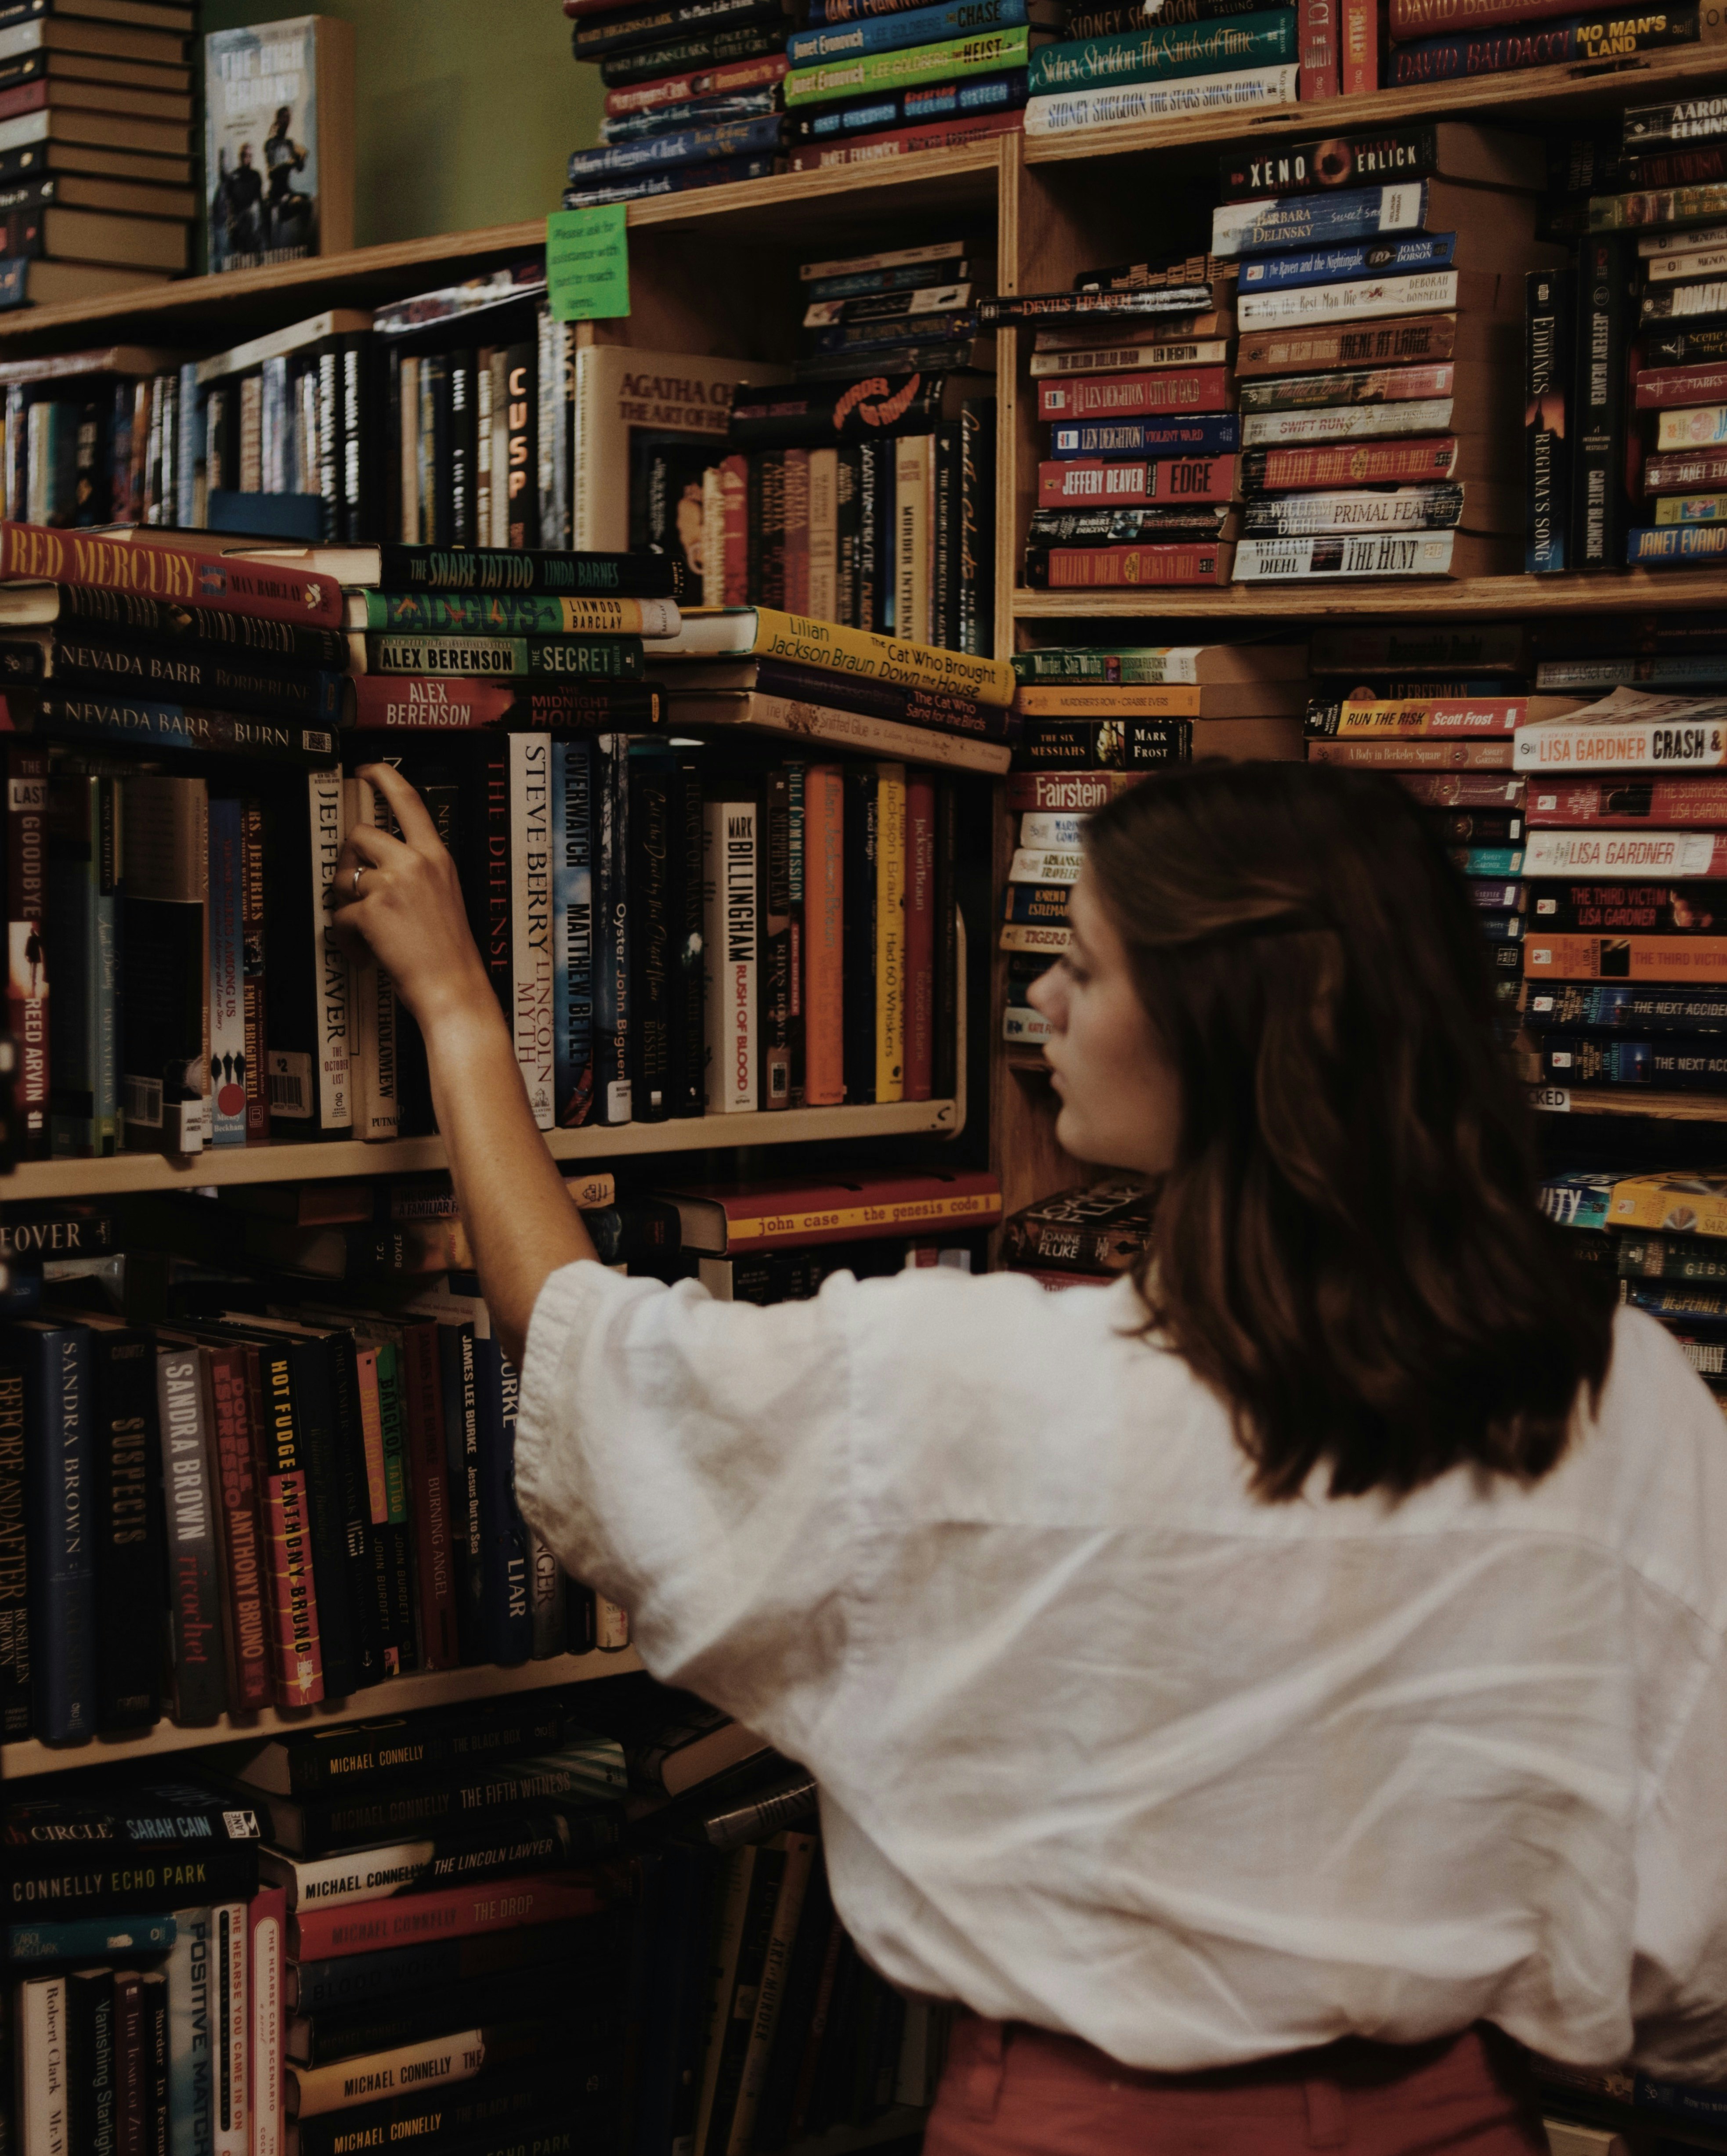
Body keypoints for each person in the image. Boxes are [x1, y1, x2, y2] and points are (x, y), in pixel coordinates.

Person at [329, 758, 1727, 2156]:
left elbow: (584, 1354)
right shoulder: (1624, 1397)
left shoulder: (964, 1383)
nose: (1040, 1002)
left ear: (1226, 1028)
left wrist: (457, 1008)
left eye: (1087, 967)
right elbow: (1700, 1949)